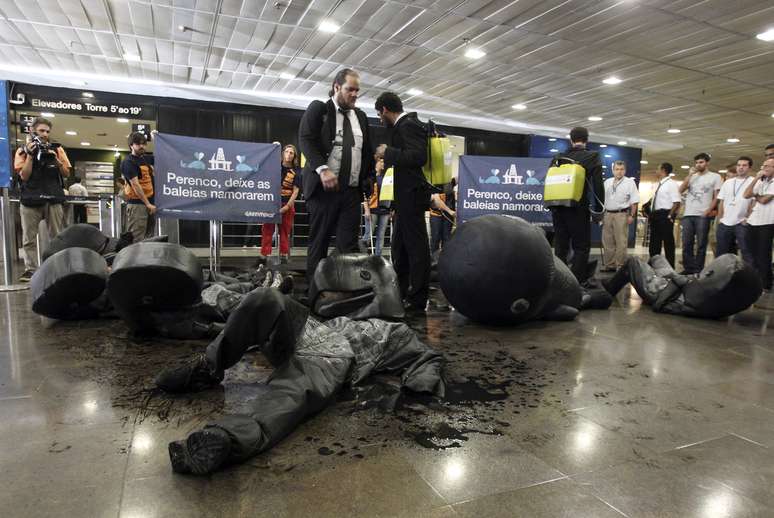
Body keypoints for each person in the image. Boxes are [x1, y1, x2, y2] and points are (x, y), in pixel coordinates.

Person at [299, 68, 374, 282]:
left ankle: (344, 292)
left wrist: (368, 176)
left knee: (348, 246)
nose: (354, 95)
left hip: (351, 192)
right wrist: (322, 169)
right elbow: (305, 139)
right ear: (336, 87)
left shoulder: (361, 116)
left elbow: (365, 150)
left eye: (357, 90)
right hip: (324, 191)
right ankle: (314, 292)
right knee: (319, 242)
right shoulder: (319, 109)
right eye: (350, 89)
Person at [374, 92, 430, 313]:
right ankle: (403, 292)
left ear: (385, 110)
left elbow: (418, 156)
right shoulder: (403, 126)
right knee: (399, 248)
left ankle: (417, 300)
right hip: (403, 199)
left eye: (379, 114)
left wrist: (388, 152)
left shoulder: (409, 125)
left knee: (417, 249)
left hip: (412, 196)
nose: (380, 119)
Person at [13, 116, 71, 282]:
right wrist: (31, 156)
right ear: (33, 131)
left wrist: (57, 160)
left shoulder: (57, 149)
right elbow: (24, 176)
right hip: (31, 199)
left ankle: (56, 266)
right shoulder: (22, 151)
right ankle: (31, 269)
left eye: (47, 131)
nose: (45, 134)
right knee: (28, 238)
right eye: (41, 131)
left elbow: (66, 173)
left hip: (53, 197)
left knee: (57, 236)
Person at [550, 126, 604, 284]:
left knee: (561, 245)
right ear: (587, 139)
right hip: (578, 208)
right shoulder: (592, 156)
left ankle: (559, 280)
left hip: (558, 207)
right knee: (581, 246)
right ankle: (575, 282)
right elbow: (598, 185)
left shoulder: (558, 157)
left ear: (570, 139)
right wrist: (599, 210)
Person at [678, 152, 722, 274]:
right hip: (688, 214)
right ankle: (688, 268)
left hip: (703, 215)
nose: (698, 164)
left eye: (701, 162)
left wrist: (708, 211)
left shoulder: (715, 177)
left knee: (701, 243)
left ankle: (698, 268)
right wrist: (689, 175)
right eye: (697, 162)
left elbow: (717, 197)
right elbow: (680, 190)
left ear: (707, 163)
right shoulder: (692, 176)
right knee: (687, 243)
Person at [261, 144, 301, 263]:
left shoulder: (297, 171)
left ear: (294, 156)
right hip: (272, 203)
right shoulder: (275, 167)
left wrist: (287, 206)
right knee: (267, 229)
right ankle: (264, 255)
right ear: (283, 153)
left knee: (285, 231)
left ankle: (284, 255)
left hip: (287, 203)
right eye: (287, 152)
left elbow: (296, 191)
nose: (288, 155)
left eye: (291, 153)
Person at [601, 161, 639, 271]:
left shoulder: (629, 182)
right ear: (613, 170)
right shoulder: (607, 182)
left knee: (621, 241)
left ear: (625, 170)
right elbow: (603, 199)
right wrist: (601, 215)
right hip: (607, 214)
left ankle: (620, 265)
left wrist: (632, 215)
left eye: (621, 169)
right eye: (617, 169)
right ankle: (610, 265)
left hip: (621, 214)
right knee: (607, 241)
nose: (619, 171)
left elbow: (634, 200)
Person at [743, 157, 774, 291]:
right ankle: (755, 281)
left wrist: (755, 196)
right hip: (753, 221)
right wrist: (756, 179)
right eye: (763, 166)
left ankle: (766, 283)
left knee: (763, 254)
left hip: (767, 222)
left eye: (767, 166)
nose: (764, 168)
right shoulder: (760, 182)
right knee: (751, 253)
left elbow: (764, 200)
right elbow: (746, 194)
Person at [716, 157, 754, 264]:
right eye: (739, 165)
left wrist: (748, 218)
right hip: (725, 223)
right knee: (721, 253)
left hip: (742, 223)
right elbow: (721, 202)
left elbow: (753, 203)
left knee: (747, 252)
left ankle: (749, 279)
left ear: (749, 168)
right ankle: (723, 278)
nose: (741, 168)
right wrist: (720, 219)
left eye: (744, 165)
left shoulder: (754, 182)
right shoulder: (728, 182)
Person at [121, 132, 156, 242]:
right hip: (138, 205)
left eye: (144, 144)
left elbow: (162, 155)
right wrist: (148, 204)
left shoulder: (145, 159)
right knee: (136, 238)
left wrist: (156, 139)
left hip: (150, 203)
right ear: (131, 145)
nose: (142, 146)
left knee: (149, 237)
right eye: (138, 144)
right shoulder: (128, 162)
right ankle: (134, 259)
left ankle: (145, 259)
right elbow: (136, 185)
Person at [647, 163, 681, 268]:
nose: (656, 171)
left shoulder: (671, 184)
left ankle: (670, 266)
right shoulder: (660, 184)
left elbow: (677, 202)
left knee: (668, 242)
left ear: (663, 170)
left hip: (665, 214)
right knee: (654, 242)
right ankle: (654, 264)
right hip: (656, 215)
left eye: (657, 168)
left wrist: (670, 216)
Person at [360, 156, 391, 256]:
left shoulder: (387, 177)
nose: (383, 164)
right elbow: (364, 194)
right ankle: (362, 255)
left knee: (381, 236)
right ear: (376, 163)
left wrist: (391, 208)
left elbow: (391, 193)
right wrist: (366, 210)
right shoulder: (370, 178)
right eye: (381, 162)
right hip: (372, 209)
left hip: (385, 209)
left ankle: (378, 258)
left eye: (384, 162)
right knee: (368, 235)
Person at [430, 179, 456, 256]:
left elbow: (460, 176)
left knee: (447, 239)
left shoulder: (450, 181)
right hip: (436, 215)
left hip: (448, 216)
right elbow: (436, 200)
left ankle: (446, 259)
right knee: (435, 238)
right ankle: (434, 260)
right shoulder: (433, 182)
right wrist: (450, 211)